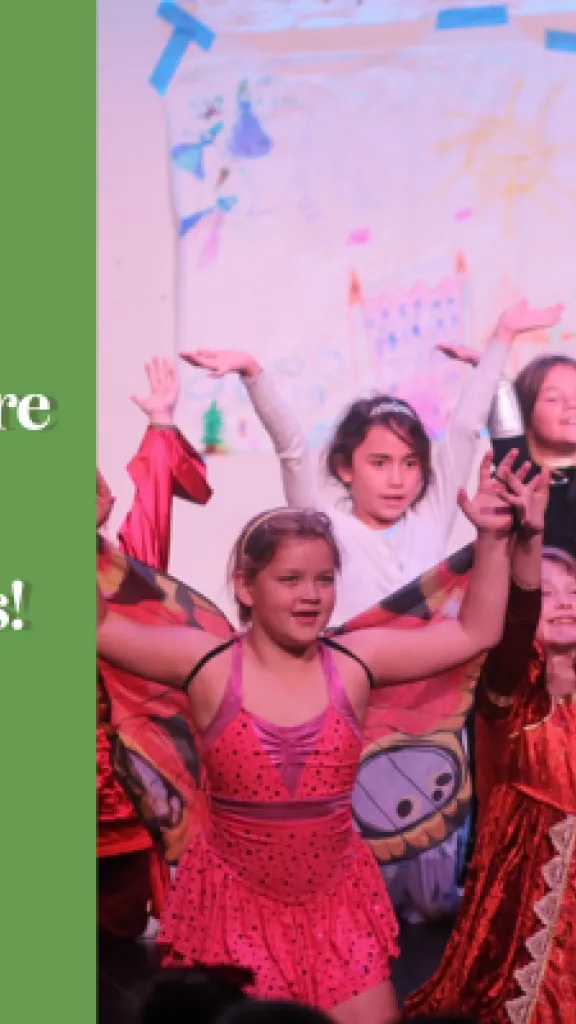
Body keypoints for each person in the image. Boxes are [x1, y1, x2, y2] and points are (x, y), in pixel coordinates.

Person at [97, 451, 526, 1024]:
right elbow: (96, 625)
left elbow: (477, 631)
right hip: (233, 906)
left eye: (324, 579)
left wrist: (493, 537)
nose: (311, 595)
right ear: (246, 586)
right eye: (291, 579)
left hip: (335, 906)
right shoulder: (209, 665)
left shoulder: (354, 663)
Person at [181, 299, 562, 925]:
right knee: (357, 859)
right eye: (379, 463)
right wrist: (253, 373)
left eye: (410, 464)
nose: (397, 479)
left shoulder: (432, 518)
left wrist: (501, 337)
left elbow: (464, 429)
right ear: (344, 467)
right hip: (352, 708)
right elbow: (292, 449)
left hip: (427, 708)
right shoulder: (326, 525)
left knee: (430, 883)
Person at [403, 485, 576, 1022]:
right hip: (524, 910)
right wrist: (530, 535)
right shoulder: (512, 693)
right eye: (548, 591)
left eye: (574, 590)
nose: (564, 601)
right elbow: (519, 620)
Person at [98, 357, 212, 940]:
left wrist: (161, 423)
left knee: (116, 936)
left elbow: (152, 511)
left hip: (116, 794)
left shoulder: (121, 580)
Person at [439, 345, 576, 559]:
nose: (571, 405)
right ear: (525, 412)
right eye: (553, 398)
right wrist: (493, 373)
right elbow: (510, 441)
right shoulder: (518, 476)